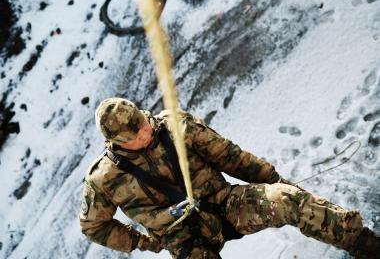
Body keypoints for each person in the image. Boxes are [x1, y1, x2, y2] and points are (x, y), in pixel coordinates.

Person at [79, 97, 379, 258]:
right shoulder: (104, 178)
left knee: (288, 199)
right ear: (117, 142)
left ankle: (366, 246)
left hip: (225, 205)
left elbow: (231, 157)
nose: (146, 132)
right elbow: (93, 226)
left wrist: (276, 181)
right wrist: (146, 242)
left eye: (144, 124)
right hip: (184, 239)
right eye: (136, 135)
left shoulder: (175, 127)